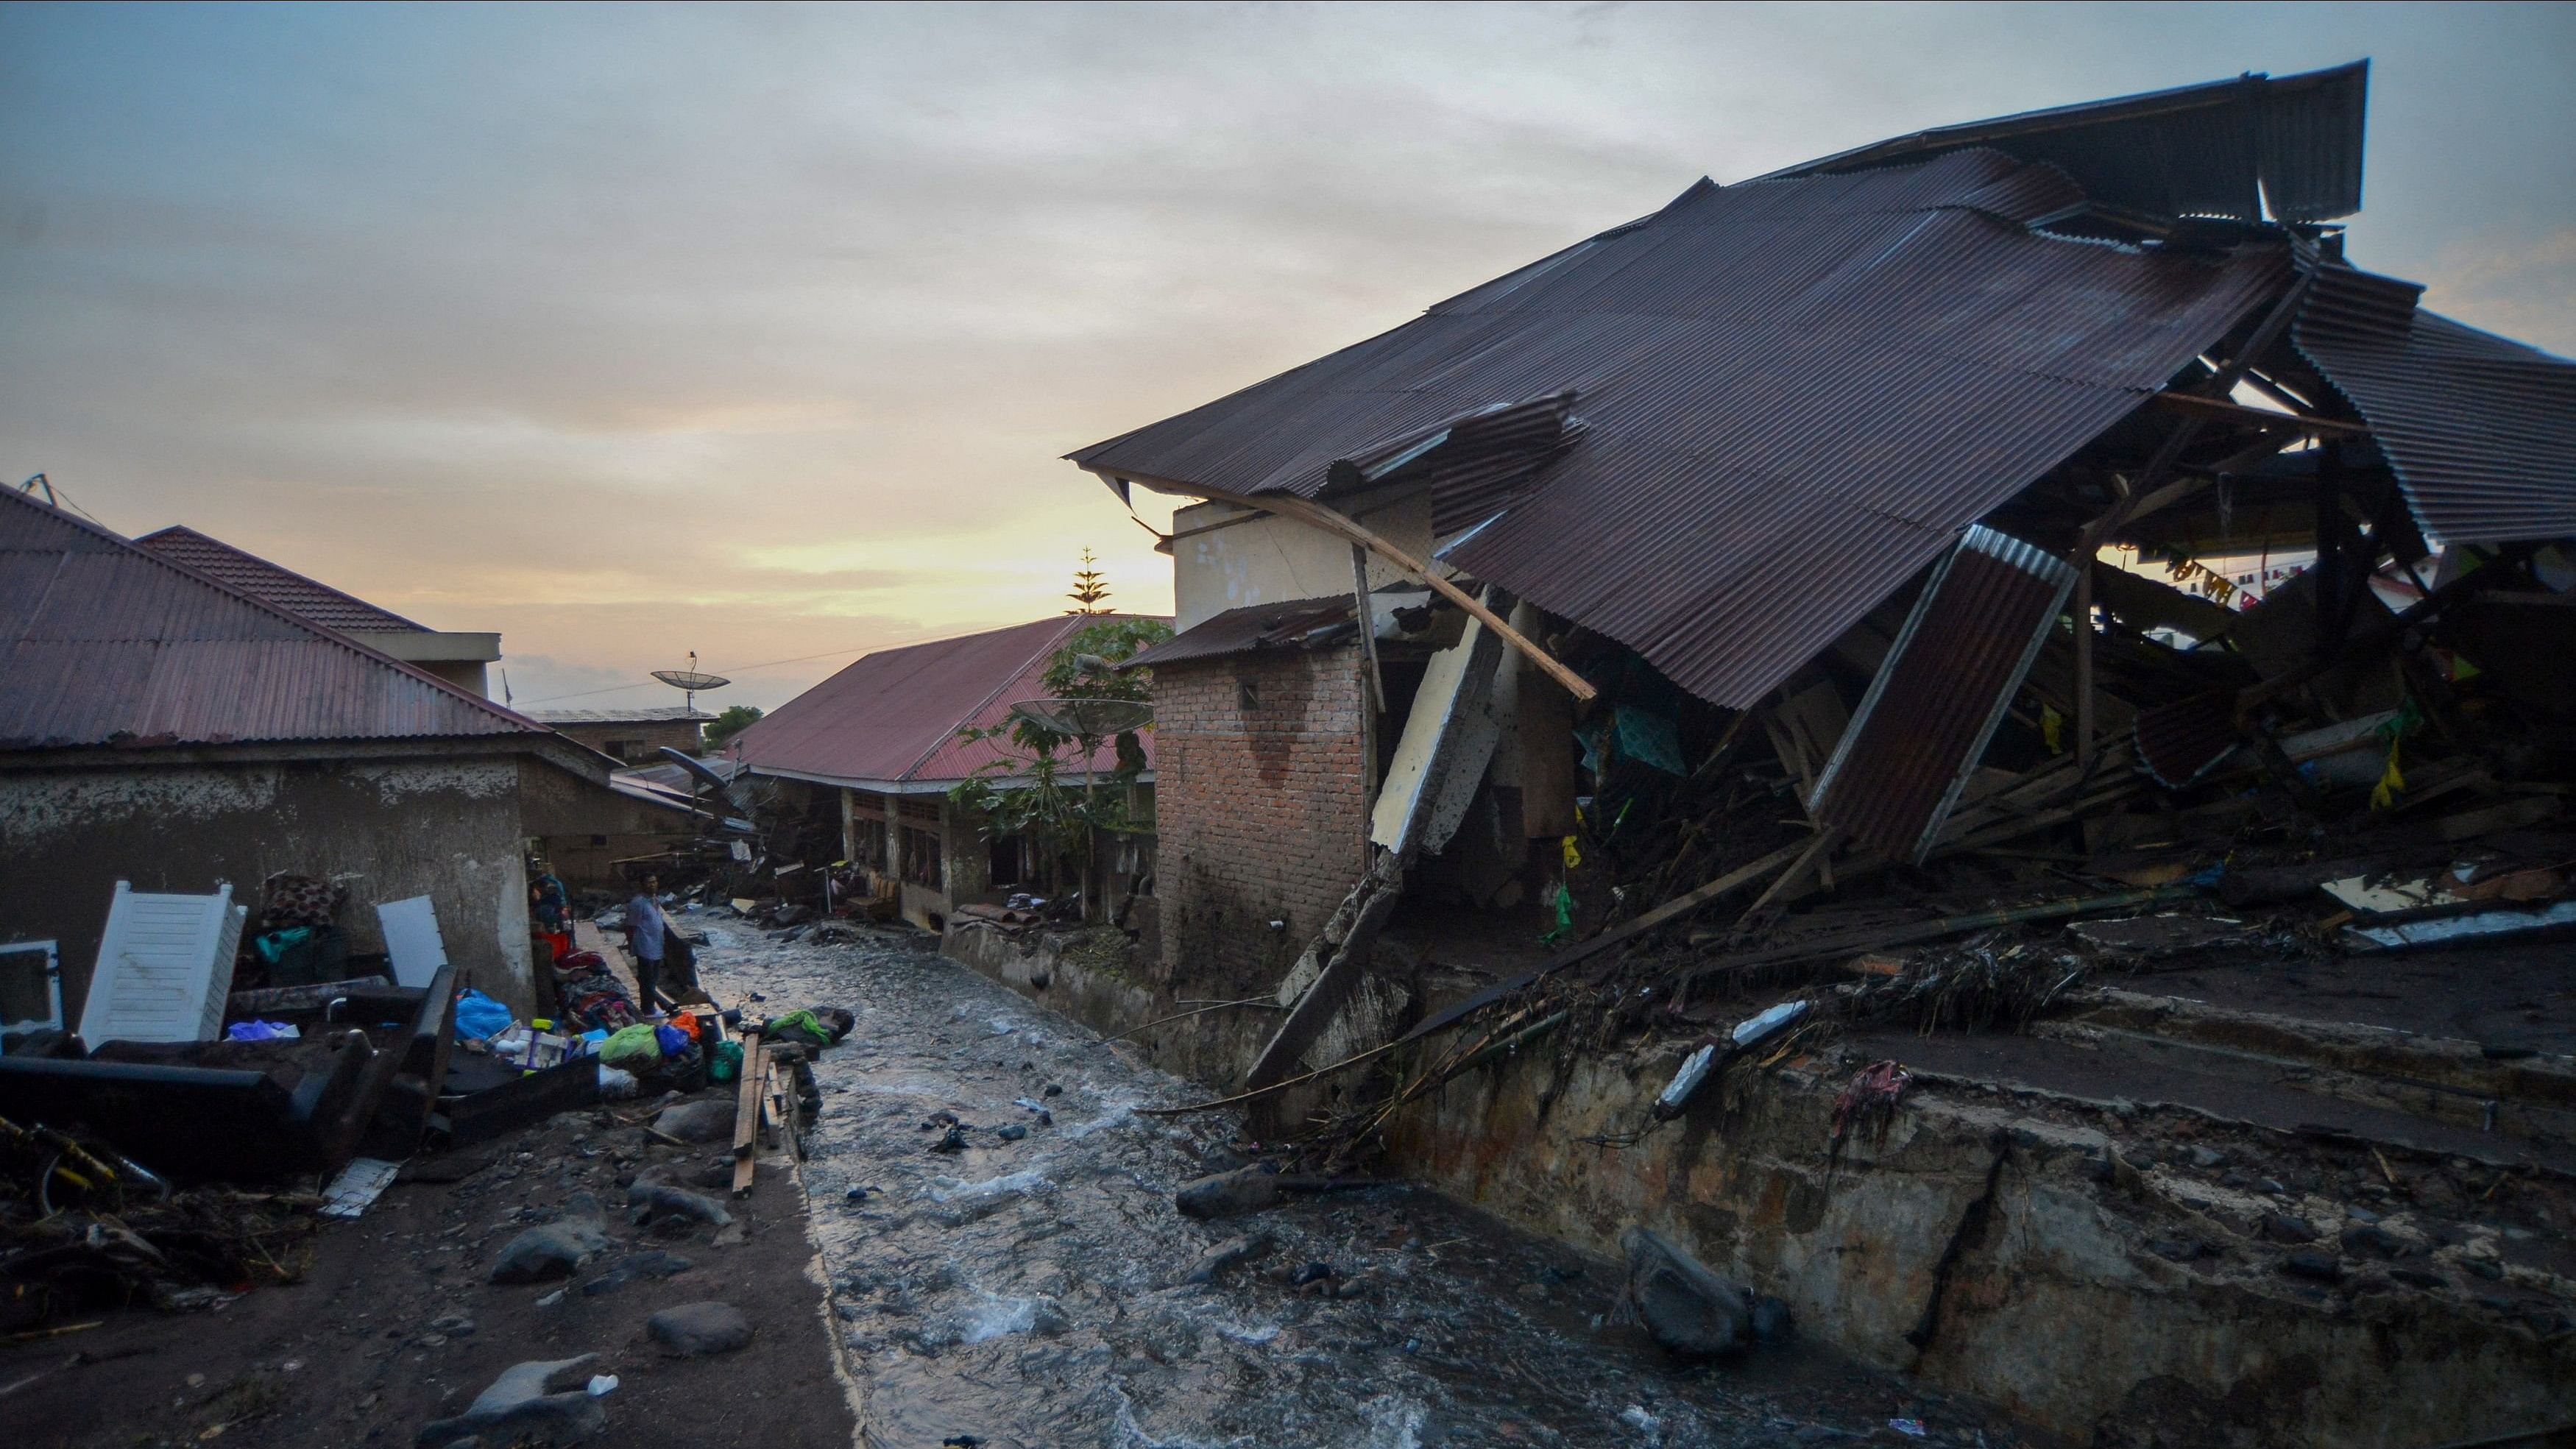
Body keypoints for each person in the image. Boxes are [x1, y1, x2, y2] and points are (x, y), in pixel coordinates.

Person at [623, 874, 669, 1015]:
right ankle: (648, 1009)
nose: (653, 885)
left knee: (654, 979)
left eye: (654, 882)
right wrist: (632, 945)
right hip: (645, 946)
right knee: (647, 980)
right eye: (649, 883)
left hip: (656, 946)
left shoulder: (655, 900)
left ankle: (650, 1007)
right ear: (642, 885)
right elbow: (630, 926)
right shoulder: (638, 903)